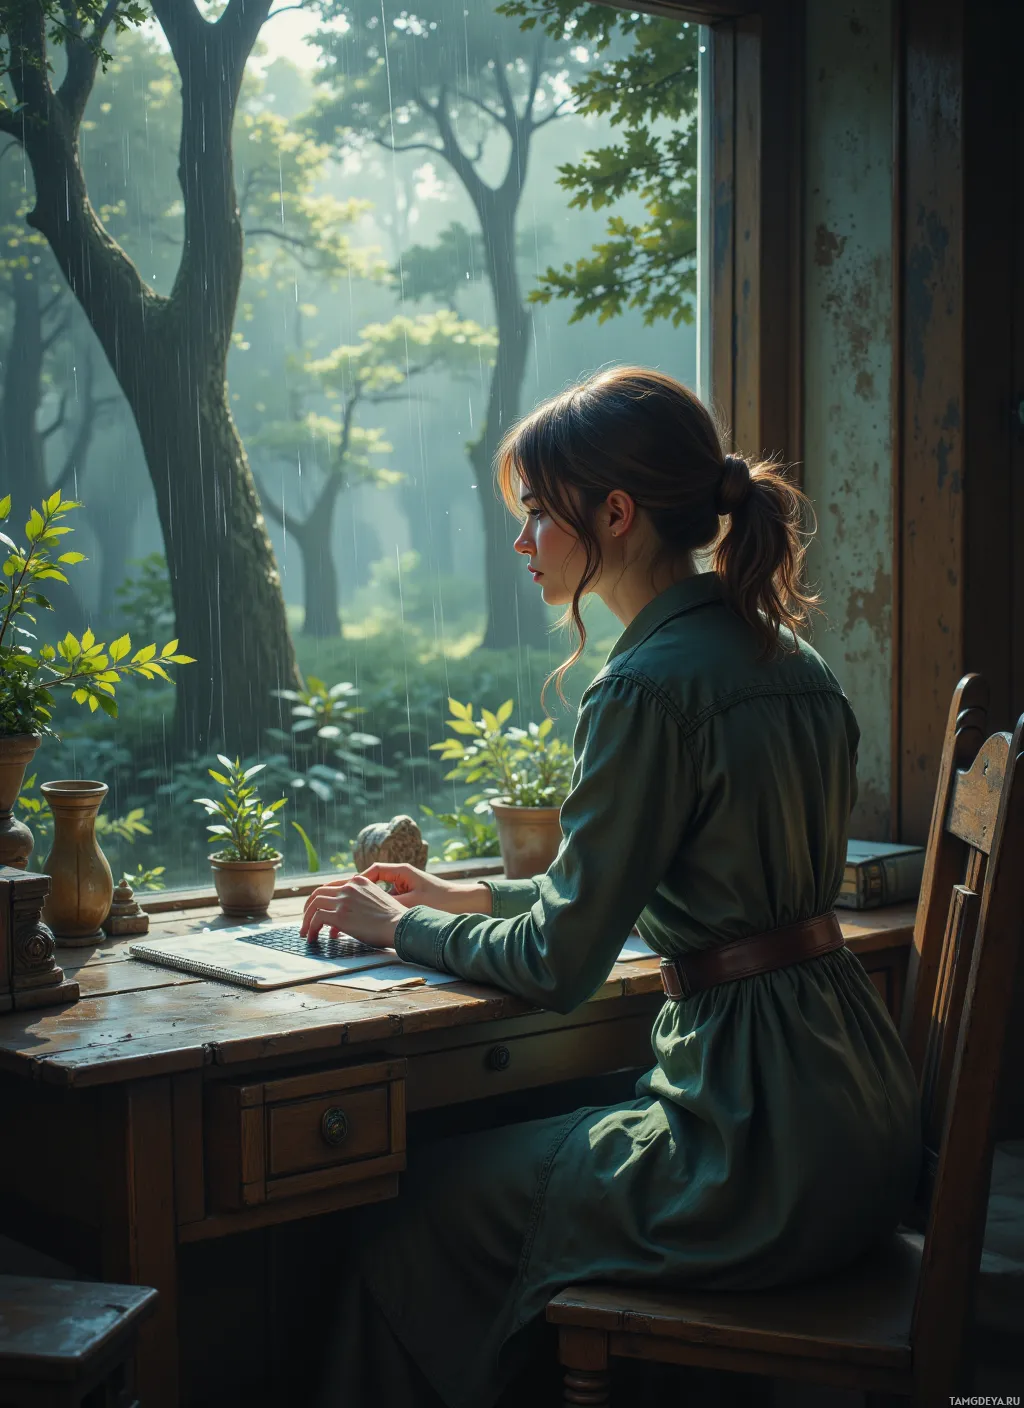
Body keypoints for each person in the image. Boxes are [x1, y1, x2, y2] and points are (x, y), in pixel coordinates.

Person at [300, 367, 921, 1408]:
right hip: (859, 1124)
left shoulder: (642, 686)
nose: (521, 541)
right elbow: (665, 890)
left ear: (616, 515)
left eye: (538, 514)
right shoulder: (796, 662)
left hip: (749, 1150)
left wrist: (399, 926)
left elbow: (559, 963)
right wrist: (455, 901)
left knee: (410, 1213)